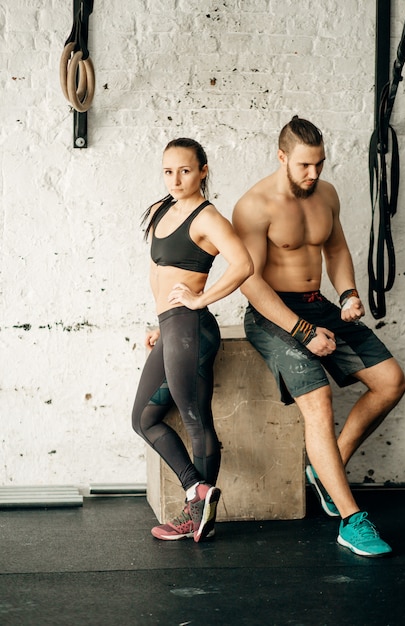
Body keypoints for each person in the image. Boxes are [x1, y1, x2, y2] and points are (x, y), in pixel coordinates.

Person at [232, 116, 405, 557]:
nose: (314, 174)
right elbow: (249, 281)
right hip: (273, 313)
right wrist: (304, 331)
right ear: (282, 156)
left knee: (390, 382)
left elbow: (336, 249)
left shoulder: (325, 194)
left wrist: (347, 293)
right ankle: (351, 520)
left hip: (318, 303)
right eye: (305, 165)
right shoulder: (254, 206)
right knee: (319, 401)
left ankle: (329, 472)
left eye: (320, 164)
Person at [132, 137, 253, 542]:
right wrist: (158, 324)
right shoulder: (159, 209)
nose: (176, 178)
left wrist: (201, 298)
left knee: (195, 420)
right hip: (171, 328)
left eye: (185, 170)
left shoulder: (208, 218)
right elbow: (158, 276)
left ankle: (198, 516)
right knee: (143, 419)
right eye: (168, 171)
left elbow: (243, 265)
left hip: (192, 330)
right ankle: (196, 489)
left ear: (202, 170)